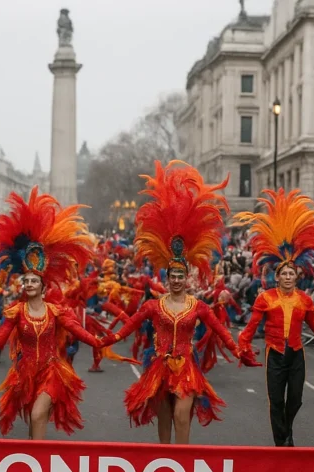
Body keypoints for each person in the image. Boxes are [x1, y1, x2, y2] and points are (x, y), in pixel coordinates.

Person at [102, 161, 257, 444]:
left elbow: (222, 332)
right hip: (159, 368)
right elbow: (127, 328)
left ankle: (182, 465)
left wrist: (238, 350)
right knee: (164, 422)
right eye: (172, 275)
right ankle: (165, 465)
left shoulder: (198, 307)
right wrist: (104, 340)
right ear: (167, 276)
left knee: (182, 416)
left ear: (187, 278)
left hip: (186, 367)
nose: (175, 280)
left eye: (180, 275)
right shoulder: (153, 306)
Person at [0, 188, 123, 438]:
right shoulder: (16, 312)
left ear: (42, 286)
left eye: (33, 282)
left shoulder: (56, 311)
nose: (28, 285)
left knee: (39, 414)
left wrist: (105, 341)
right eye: (26, 281)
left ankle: (38, 463)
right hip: (25, 374)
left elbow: (82, 333)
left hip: (52, 371)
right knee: (33, 422)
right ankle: (35, 461)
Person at [234, 189, 314, 447]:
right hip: (275, 353)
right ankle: (282, 441)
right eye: (285, 274)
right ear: (277, 277)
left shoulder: (304, 299)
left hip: (297, 353)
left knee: (296, 398)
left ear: (297, 277)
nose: (289, 277)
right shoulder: (265, 298)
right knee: (276, 399)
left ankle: (287, 427)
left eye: (292, 274)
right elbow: (252, 326)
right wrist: (243, 344)